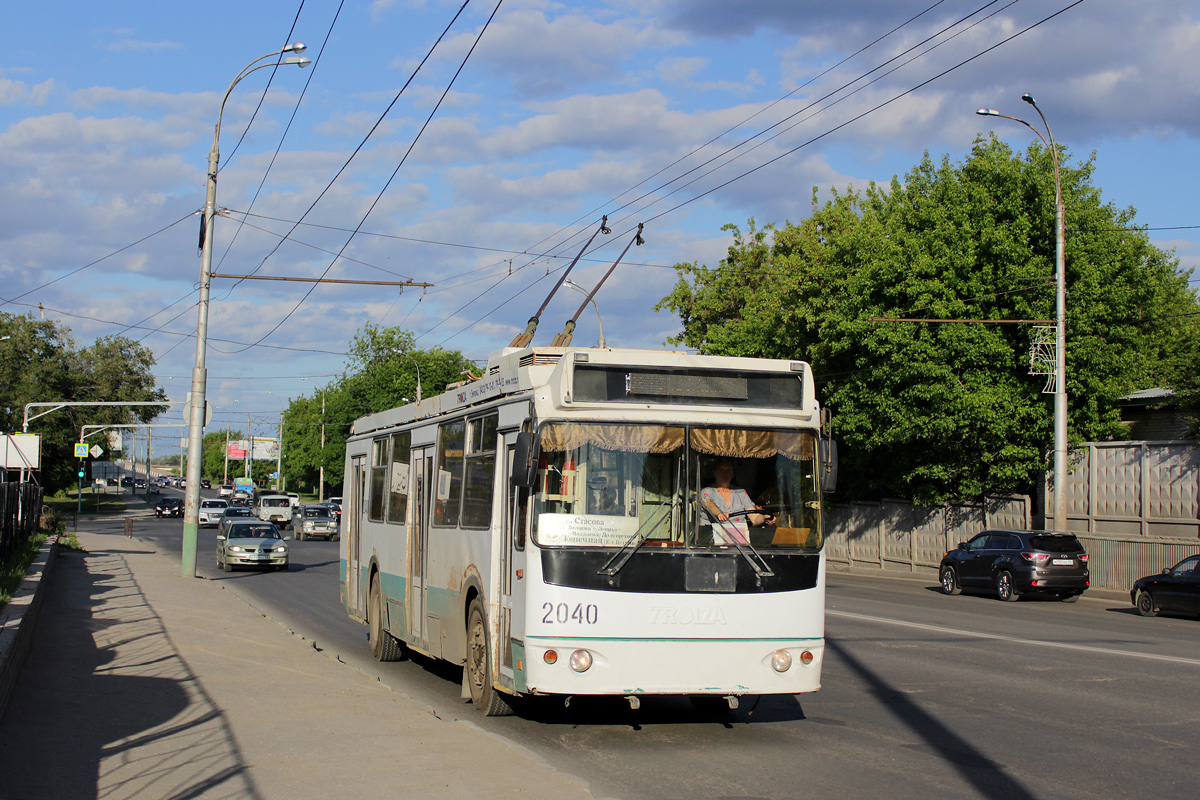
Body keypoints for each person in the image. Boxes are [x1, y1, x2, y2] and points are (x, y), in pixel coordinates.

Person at [699, 460, 775, 544]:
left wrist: (764, 518)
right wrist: (719, 513)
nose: (725, 473)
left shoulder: (740, 492)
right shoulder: (707, 491)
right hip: (712, 542)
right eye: (721, 470)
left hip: (740, 543)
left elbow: (754, 517)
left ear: (732, 474)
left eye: (728, 470)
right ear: (715, 473)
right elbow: (708, 504)